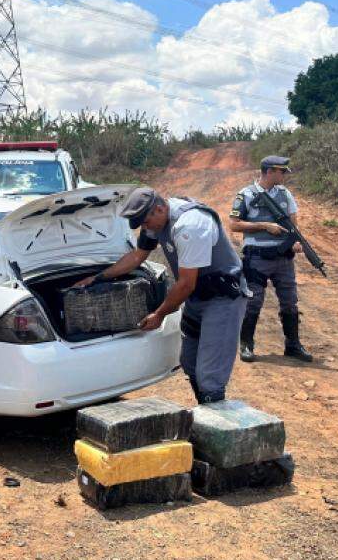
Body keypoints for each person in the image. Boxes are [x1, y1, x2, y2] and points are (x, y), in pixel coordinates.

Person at [76, 187, 249, 404]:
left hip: (223, 299)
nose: (145, 228)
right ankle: (205, 408)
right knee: (190, 362)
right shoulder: (156, 219)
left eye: (146, 223)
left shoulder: (190, 225)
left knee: (210, 376)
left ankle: (215, 428)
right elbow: (138, 256)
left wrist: (159, 314)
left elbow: (186, 283)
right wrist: (99, 277)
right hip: (197, 297)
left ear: (159, 209)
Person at [229, 155, 314, 363]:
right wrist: (264, 226)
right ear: (269, 171)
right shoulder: (246, 194)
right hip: (256, 257)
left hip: (283, 258)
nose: (284, 175)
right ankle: (246, 345)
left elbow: (293, 225)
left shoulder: (285, 194)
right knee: (253, 302)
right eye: (281, 171)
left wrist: (295, 241)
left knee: (290, 302)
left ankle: (293, 345)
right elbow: (234, 224)